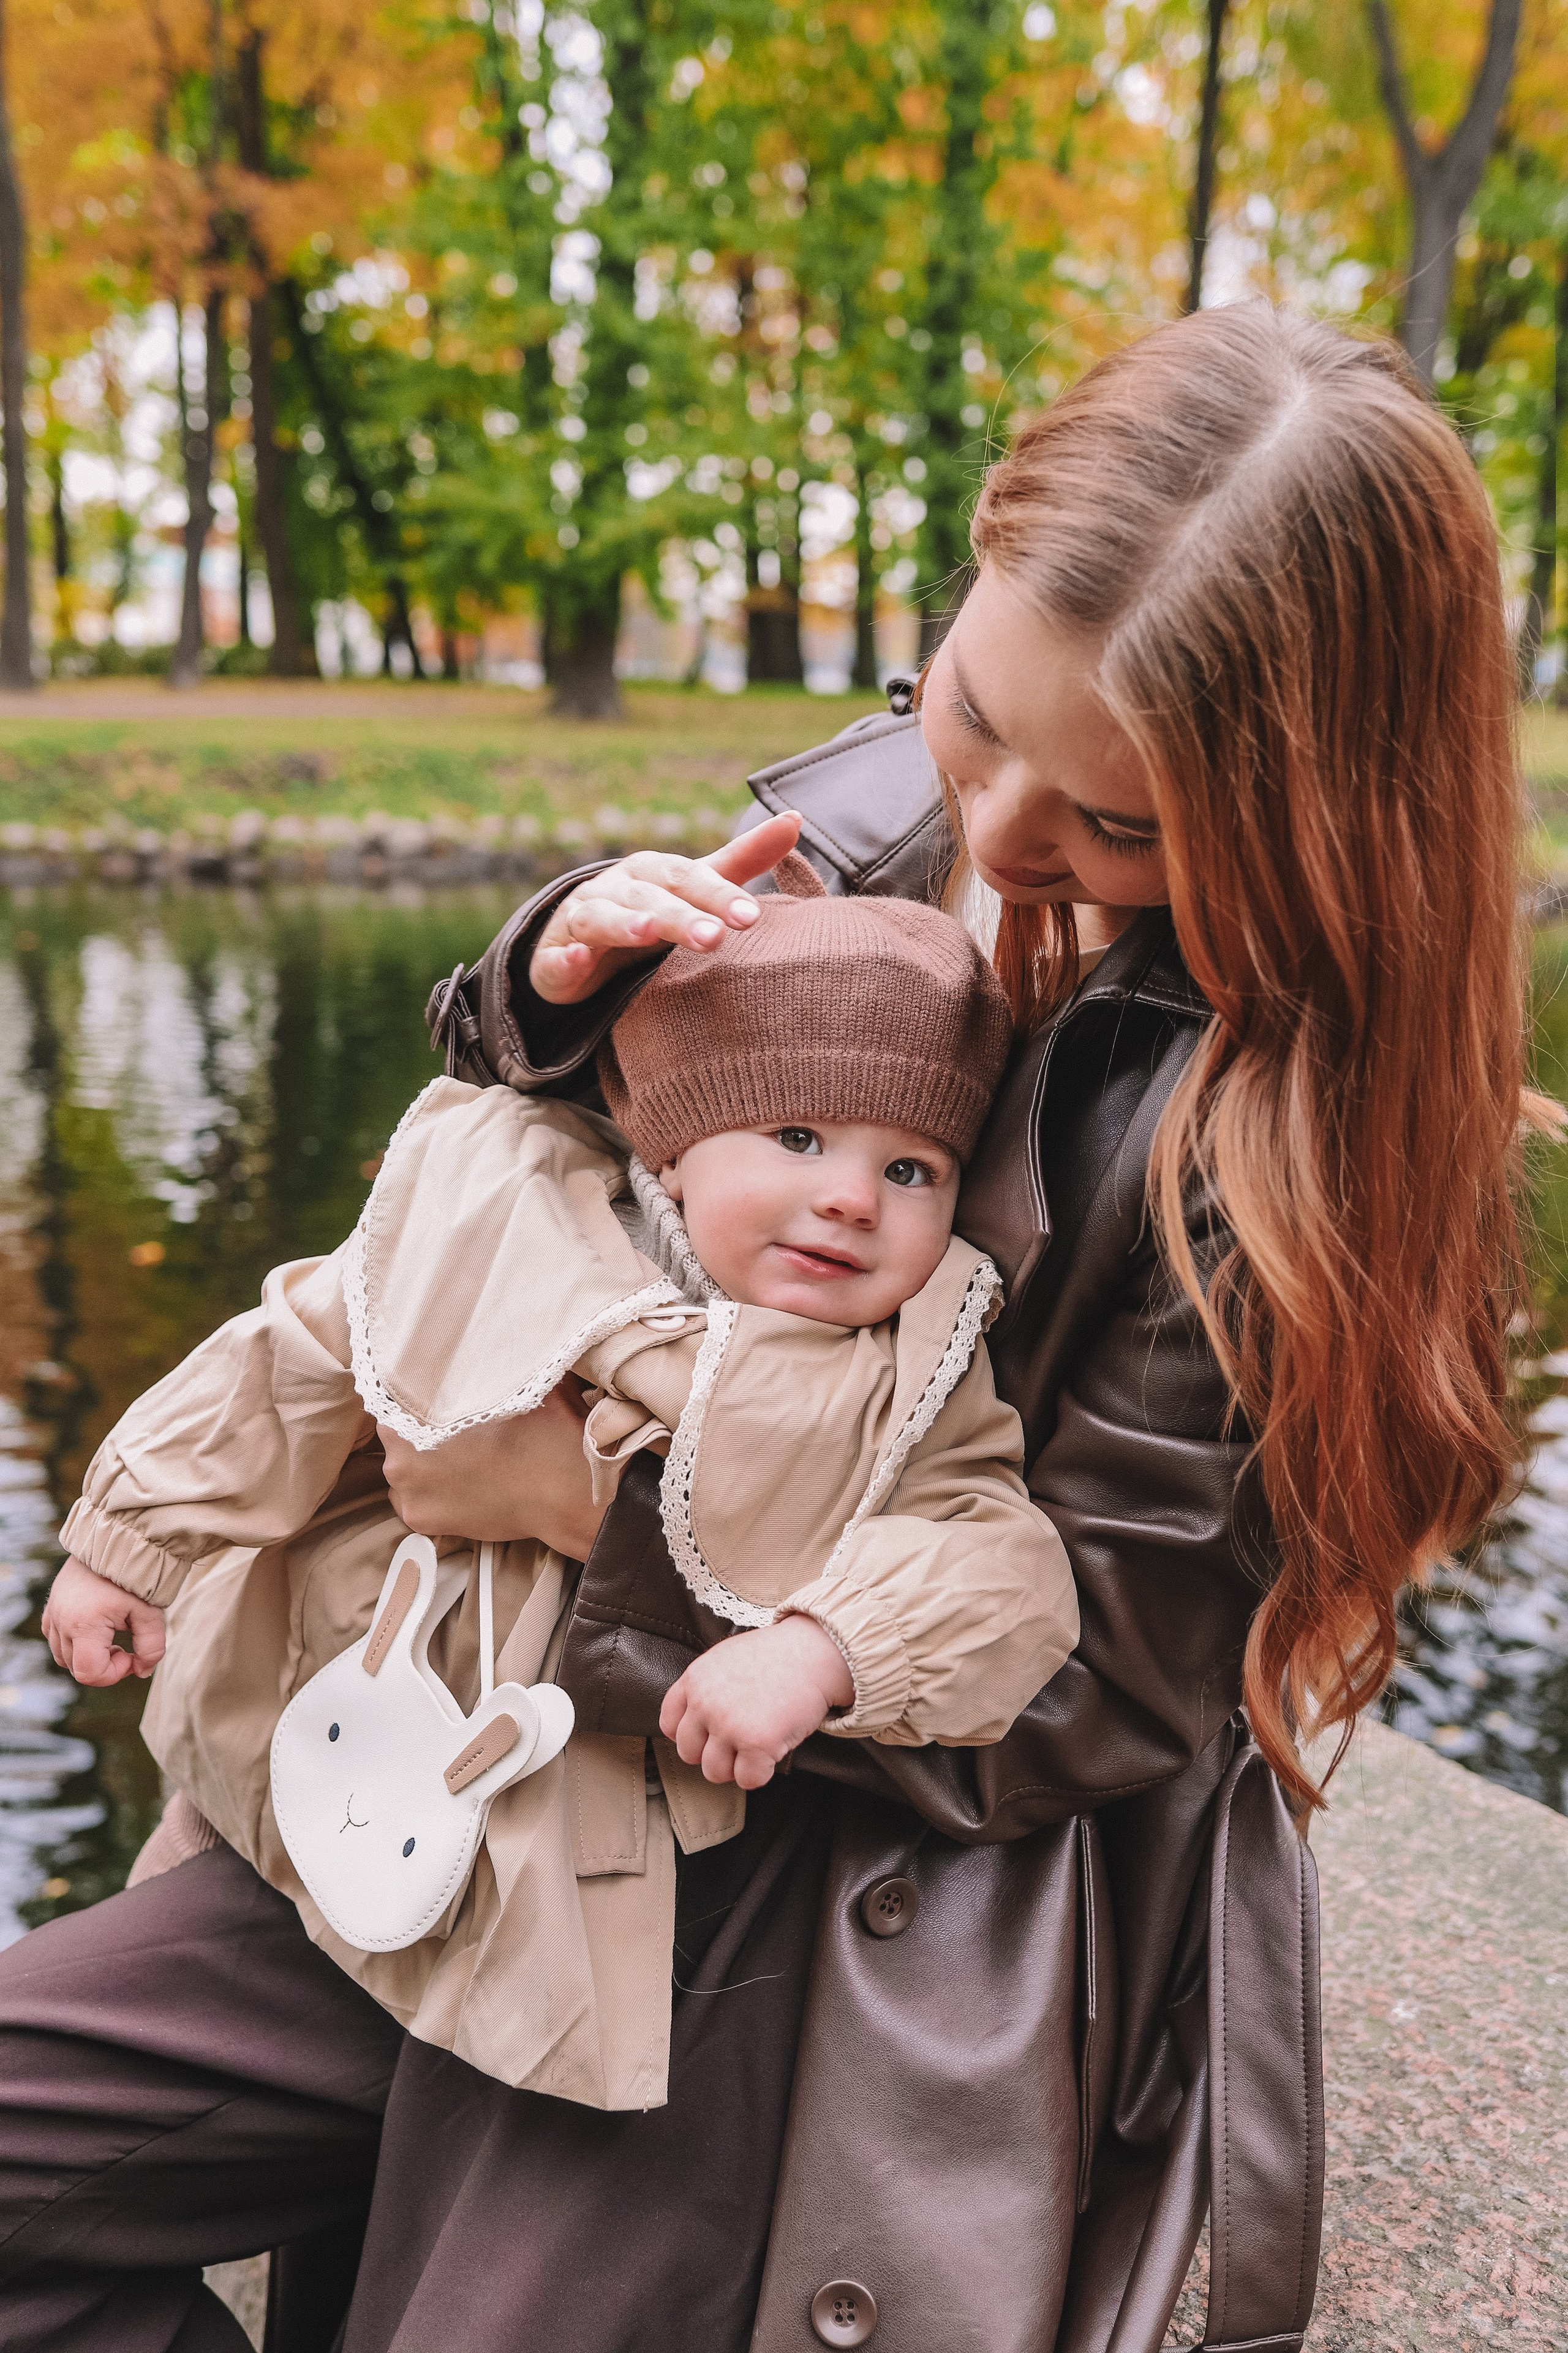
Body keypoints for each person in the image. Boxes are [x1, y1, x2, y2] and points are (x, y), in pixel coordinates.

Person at [0, 304, 1531, 2353]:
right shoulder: (903, 811)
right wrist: (553, 977)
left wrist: (609, 1522)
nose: (995, 842)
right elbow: (626, 1141)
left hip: (815, 1879)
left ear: (1319, 818)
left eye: (1123, 829)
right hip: (482, 1744)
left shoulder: (1282, 1145)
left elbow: (1100, 1663)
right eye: (973, 714)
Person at [34, 864, 1078, 2112]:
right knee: (201, 1869)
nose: (850, 1196)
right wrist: (133, 1532)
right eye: (796, 1138)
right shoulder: (513, 1223)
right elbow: (299, 1352)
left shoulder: (908, 1369)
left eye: (912, 1169)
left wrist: (823, 1648)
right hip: (333, 1678)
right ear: (675, 1151)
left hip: (558, 1804)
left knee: (476, 2054)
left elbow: (992, 1553)